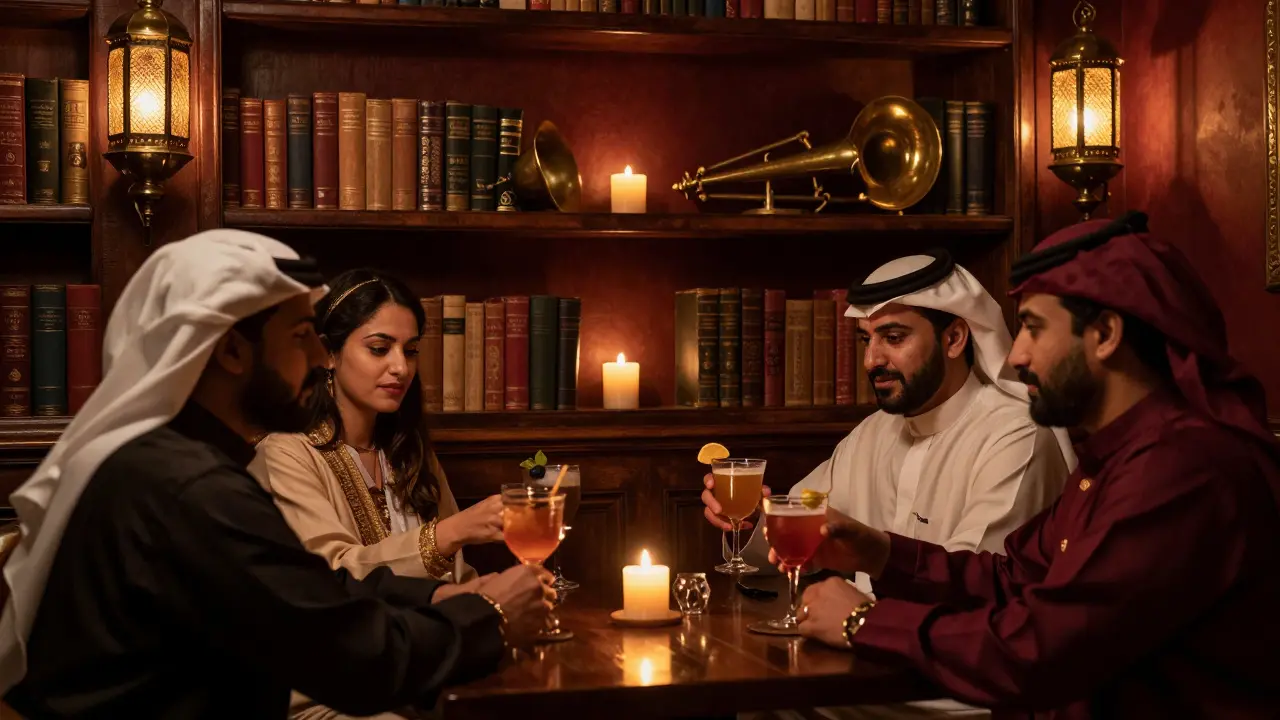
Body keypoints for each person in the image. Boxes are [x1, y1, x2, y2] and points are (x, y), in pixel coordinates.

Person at [0, 230, 555, 718]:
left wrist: (437, 597)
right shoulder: (191, 488)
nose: (318, 357)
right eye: (300, 336)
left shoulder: (170, 461)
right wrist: (490, 615)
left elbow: (310, 589)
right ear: (232, 352)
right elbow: (351, 655)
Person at [795, 212, 1280, 718]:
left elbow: (1039, 649)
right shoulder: (1113, 457)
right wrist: (881, 552)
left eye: (1033, 328)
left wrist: (863, 622)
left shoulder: (1181, 468)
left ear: (1105, 333)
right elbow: (1011, 578)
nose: (1017, 356)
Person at [258, 270, 500, 585]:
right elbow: (332, 574)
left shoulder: (409, 450)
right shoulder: (285, 454)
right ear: (328, 353)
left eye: (410, 351)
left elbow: (457, 577)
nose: (401, 368)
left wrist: (497, 594)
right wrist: (448, 533)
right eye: (379, 348)